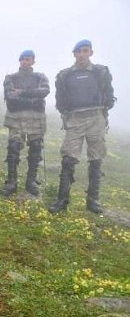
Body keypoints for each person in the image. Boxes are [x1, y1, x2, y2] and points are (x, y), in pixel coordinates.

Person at [48, 40, 115, 214]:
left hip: (96, 117)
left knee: (96, 159)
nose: (82, 54)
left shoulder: (101, 72)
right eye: (78, 52)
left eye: (85, 51)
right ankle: (62, 200)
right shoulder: (65, 75)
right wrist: (67, 113)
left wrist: (102, 109)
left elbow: (109, 96)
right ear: (74, 54)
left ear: (91, 52)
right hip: (75, 118)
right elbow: (60, 100)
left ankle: (93, 200)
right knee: (68, 158)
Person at [0, 50, 50, 197]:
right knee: (13, 148)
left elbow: (44, 92)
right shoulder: (10, 78)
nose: (25, 62)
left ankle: (31, 181)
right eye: (22, 59)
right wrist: (32, 99)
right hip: (16, 117)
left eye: (28, 59)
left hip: (36, 117)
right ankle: (11, 182)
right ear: (19, 61)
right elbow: (9, 95)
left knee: (35, 149)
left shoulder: (40, 77)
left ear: (33, 61)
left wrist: (21, 93)